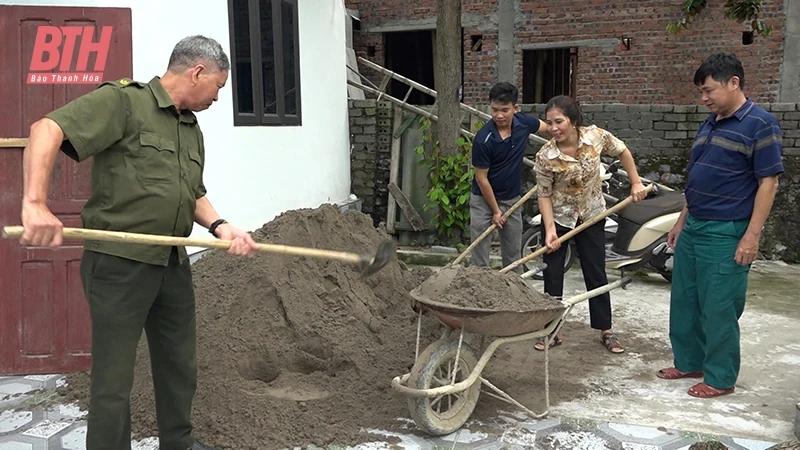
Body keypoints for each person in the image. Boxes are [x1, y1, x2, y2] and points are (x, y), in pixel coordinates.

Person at [19, 35, 258, 450]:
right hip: (118, 264)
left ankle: (178, 443)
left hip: (170, 261)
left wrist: (221, 226)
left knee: (179, 366)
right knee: (114, 379)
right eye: (219, 86)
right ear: (197, 72)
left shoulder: (189, 126)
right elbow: (47, 128)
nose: (219, 98)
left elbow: (191, 191)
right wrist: (35, 203)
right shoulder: (124, 103)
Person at [656, 52, 783, 398]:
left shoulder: (760, 124)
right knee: (685, 301)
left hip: (726, 231)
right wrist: (682, 221)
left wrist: (751, 236)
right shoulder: (710, 123)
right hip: (694, 226)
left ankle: (720, 377)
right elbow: (697, 179)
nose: (704, 98)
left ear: (734, 83)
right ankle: (689, 361)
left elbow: (768, 183)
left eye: (709, 90)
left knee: (719, 306)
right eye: (701, 92)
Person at [533, 95, 648, 354]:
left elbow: (622, 150)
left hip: (591, 216)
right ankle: (552, 329)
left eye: (559, 121)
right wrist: (550, 229)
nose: (553, 128)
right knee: (552, 274)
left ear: (573, 121)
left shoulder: (596, 137)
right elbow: (543, 195)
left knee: (595, 272)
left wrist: (636, 182)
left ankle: (606, 330)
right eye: (549, 123)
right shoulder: (546, 156)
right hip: (559, 220)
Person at [469, 81, 547, 271]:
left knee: (513, 253)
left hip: (512, 199)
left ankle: (513, 289)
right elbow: (481, 178)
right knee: (479, 250)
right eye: (495, 110)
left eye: (505, 110)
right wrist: (495, 211)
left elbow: (550, 129)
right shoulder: (484, 139)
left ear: (515, 108)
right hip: (483, 199)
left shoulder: (524, 123)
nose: (499, 115)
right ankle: (478, 285)